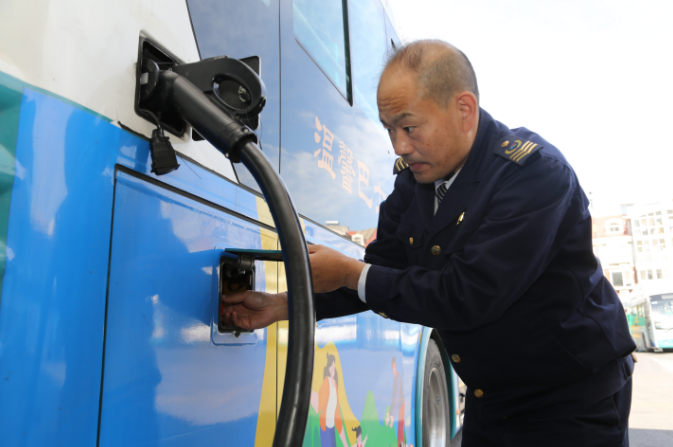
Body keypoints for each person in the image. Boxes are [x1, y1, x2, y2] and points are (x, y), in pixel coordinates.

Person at [221, 40, 636, 446]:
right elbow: (378, 274)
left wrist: (349, 271)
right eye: (389, 129)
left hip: (571, 400)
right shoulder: (414, 181)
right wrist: (284, 305)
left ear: (464, 111)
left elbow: (468, 295)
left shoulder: (534, 175)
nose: (399, 146)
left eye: (409, 126)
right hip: (493, 398)